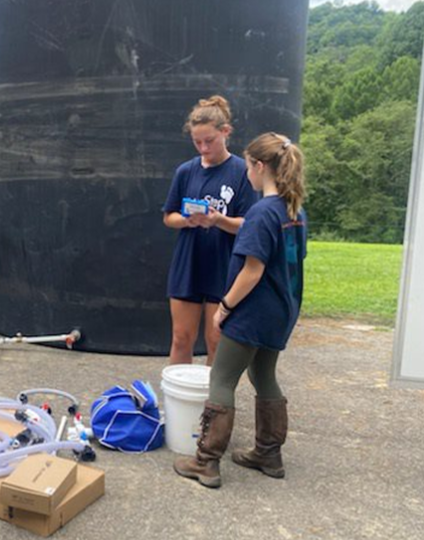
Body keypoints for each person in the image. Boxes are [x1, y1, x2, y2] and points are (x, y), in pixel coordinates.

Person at [173, 132, 308, 488]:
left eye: (248, 165)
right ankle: (268, 453)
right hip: (283, 311)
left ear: (259, 167)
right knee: (263, 375)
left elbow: (253, 269)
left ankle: (206, 462)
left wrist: (225, 308)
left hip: (253, 312)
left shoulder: (262, 212)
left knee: (221, 379)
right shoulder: (294, 209)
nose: (245, 172)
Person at [162, 96, 258, 366]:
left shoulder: (242, 172)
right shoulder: (185, 172)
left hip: (224, 264)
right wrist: (186, 221)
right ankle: (178, 404)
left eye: (209, 141)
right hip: (188, 263)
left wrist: (218, 220)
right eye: (197, 142)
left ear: (225, 132)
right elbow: (168, 217)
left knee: (216, 340)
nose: (203, 148)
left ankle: (214, 406)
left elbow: (249, 224)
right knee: (181, 337)